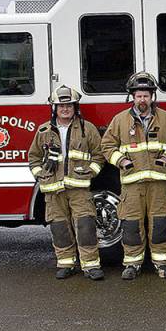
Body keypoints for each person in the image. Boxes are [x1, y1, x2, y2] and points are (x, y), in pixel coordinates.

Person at [100, 72, 166, 280]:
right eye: (139, 96)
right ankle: (132, 264)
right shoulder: (120, 120)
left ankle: (162, 264)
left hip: (158, 185)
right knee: (131, 228)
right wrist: (121, 161)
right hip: (132, 185)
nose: (142, 100)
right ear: (132, 97)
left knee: (160, 227)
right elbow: (107, 145)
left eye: (146, 96)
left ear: (152, 97)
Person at [28, 84, 105, 280]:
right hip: (53, 191)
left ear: (75, 108)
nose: (65, 109)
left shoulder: (87, 129)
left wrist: (90, 173)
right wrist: (40, 175)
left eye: (69, 106)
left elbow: (99, 155)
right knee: (59, 228)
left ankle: (91, 265)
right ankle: (66, 264)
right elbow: (33, 158)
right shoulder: (44, 130)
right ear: (54, 108)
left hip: (79, 189)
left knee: (85, 226)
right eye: (61, 106)